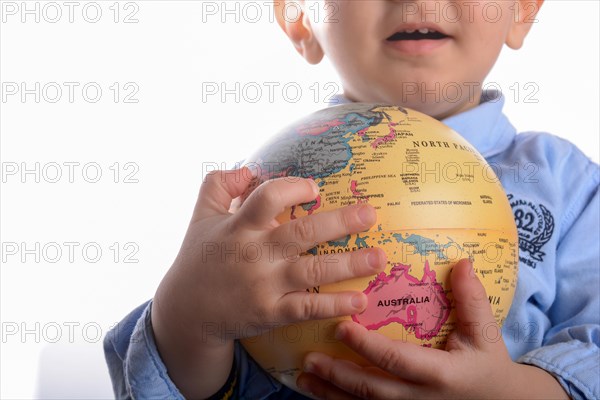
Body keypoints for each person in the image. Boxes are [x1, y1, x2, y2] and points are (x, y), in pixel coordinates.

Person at [104, 1, 599, 398]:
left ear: (523, 9)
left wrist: (507, 392)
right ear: (298, 15)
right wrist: (188, 316)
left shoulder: (569, 184)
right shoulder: (261, 195)